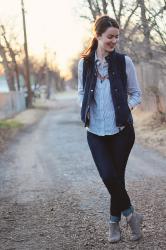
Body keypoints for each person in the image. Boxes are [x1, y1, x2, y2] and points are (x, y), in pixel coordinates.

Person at [77, 15, 143, 243]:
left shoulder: (124, 62)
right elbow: (80, 91)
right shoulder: (84, 63)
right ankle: (132, 215)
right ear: (98, 35)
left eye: (117, 37)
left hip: (122, 131)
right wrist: (84, 107)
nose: (114, 41)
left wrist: (127, 107)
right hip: (95, 131)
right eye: (110, 37)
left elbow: (136, 94)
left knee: (117, 178)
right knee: (108, 175)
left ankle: (113, 226)